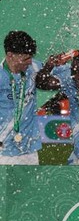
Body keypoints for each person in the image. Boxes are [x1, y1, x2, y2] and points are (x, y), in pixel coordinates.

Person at [0, 31, 42, 165]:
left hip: (29, 149)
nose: (29, 62)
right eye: (25, 59)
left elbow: (70, 72)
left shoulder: (35, 67)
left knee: (32, 186)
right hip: (3, 151)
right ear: (10, 56)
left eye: (31, 57)